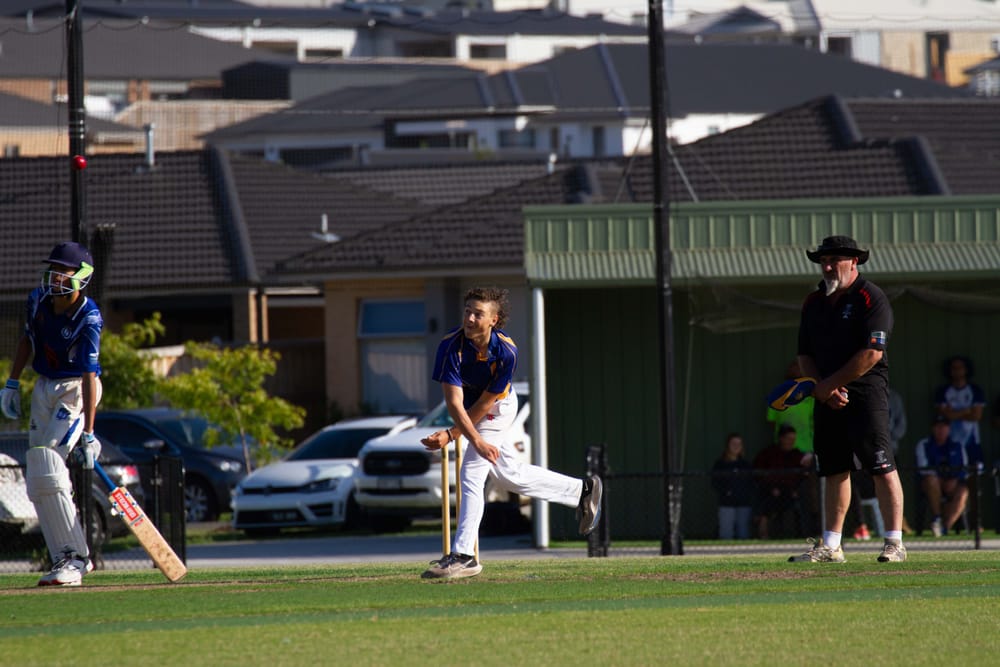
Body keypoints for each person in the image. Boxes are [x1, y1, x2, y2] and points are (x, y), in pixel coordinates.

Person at [419, 286, 602, 579]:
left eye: (478, 314)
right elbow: (454, 402)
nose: (469, 318)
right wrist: (465, 435)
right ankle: (581, 491)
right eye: (467, 311)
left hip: (499, 408)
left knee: (471, 474)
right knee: (508, 476)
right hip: (470, 411)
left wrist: (464, 438)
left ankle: (465, 555)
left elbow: (486, 403)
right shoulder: (450, 346)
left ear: (494, 319)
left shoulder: (506, 351)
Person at [789, 235, 907, 563]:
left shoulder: (872, 297)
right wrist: (821, 388)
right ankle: (831, 545)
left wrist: (830, 385)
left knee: (881, 466)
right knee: (833, 469)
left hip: (866, 393)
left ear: (854, 261)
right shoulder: (813, 302)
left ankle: (894, 542)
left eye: (834, 261)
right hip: (827, 395)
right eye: (823, 261)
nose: (827, 267)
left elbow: (871, 353)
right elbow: (804, 354)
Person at [0, 242, 104, 586]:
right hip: (44, 386)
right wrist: (12, 383)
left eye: (65, 270)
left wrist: (89, 432)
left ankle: (78, 558)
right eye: (54, 268)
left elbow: (89, 375)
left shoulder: (89, 317)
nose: (56, 275)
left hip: (76, 389)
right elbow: (26, 341)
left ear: (83, 277)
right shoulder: (37, 300)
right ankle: (62, 556)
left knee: (49, 466)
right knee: (37, 476)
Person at [850, 387, 906, 539]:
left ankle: (894, 537)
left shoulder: (893, 397)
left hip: (888, 449)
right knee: (849, 482)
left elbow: (900, 425)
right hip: (864, 450)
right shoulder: (857, 394)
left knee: (887, 479)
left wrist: (884, 442)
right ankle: (858, 528)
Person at [915, 415, 978, 536]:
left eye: (944, 427)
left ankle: (944, 528)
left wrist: (954, 479)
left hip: (953, 485)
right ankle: (937, 518)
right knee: (931, 480)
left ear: (948, 429)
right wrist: (941, 480)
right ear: (933, 428)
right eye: (938, 427)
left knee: (963, 491)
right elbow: (923, 468)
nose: (941, 430)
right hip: (931, 485)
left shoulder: (958, 446)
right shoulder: (924, 445)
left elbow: (963, 469)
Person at [752, 425, 813, 539]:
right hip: (771, 492)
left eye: (793, 439)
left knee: (800, 503)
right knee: (765, 504)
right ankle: (763, 533)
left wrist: (795, 490)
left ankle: (801, 535)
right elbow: (758, 474)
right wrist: (771, 488)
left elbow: (803, 476)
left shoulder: (797, 455)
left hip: (791, 493)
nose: (791, 442)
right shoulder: (768, 453)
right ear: (781, 438)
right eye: (788, 439)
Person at [934, 355, 985, 463]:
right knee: (954, 473)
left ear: (966, 369)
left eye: (960, 367)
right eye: (954, 368)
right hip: (951, 440)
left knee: (974, 472)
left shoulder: (974, 390)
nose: (957, 371)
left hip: (972, 440)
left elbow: (976, 416)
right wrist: (966, 410)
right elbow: (946, 415)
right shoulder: (943, 391)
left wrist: (954, 412)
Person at [711, 433, 754, 539]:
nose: (736, 446)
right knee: (726, 533)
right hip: (726, 503)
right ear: (727, 446)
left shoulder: (745, 465)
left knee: (743, 532)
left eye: (739, 444)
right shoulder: (720, 464)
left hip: (743, 502)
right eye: (733, 443)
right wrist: (726, 492)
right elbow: (715, 483)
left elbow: (751, 483)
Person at [766, 359, 815, 453]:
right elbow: (771, 420)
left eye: (799, 369)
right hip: (783, 447)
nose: (796, 371)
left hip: (805, 447)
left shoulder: (810, 394)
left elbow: (813, 420)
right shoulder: (779, 393)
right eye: (793, 369)